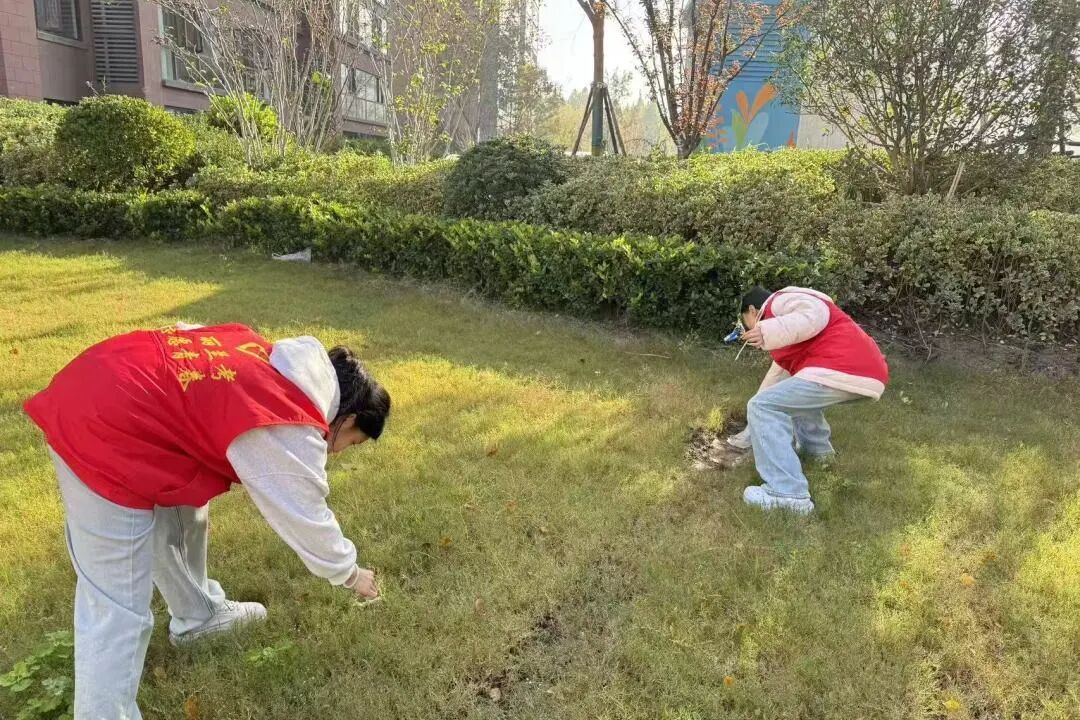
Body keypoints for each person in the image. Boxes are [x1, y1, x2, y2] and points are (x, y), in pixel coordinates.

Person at [23, 322, 391, 720]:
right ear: (348, 420)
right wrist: (350, 574)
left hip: (105, 381)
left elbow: (189, 342)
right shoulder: (286, 416)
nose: (337, 452)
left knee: (183, 513)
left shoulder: (264, 354)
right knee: (116, 604)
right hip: (102, 427)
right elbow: (305, 513)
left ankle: (199, 617)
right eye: (350, 443)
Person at [727, 286, 888, 514]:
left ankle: (787, 492)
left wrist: (766, 329)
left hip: (842, 365)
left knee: (764, 407)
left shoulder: (779, 302)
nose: (749, 328)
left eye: (746, 322)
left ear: (752, 311)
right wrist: (748, 434)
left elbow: (816, 313)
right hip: (863, 372)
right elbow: (770, 391)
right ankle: (818, 455)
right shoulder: (789, 343)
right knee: (784, 401)